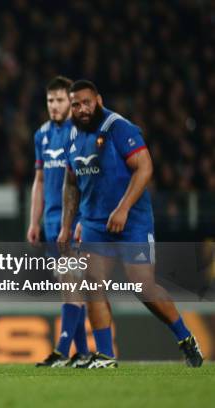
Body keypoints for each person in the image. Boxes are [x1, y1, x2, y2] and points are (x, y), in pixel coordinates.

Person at [58, 80, 202, 368]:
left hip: (132, 221)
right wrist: (67, 224)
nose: (82, 108)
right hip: (95, 224)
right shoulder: (72, 137)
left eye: (87, 102)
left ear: (98, 100)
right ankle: (105, 356)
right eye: (76, 104)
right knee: (92, 284)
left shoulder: (118, 127)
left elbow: (145, 166)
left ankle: (185, 338)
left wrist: (123, 208)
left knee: (142, 286)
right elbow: (71, 184)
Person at [28, 76, 89, 368]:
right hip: (51, 221)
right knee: (68, 286)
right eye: (50, 100)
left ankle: (63, 349)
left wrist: (83, 218)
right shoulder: (41, 135)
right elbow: (39, 181)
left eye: (60, 100)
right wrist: (33, 221)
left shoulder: (79, 134)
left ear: (70, 101)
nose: (54, 105)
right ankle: (85, 353)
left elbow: (86, 180)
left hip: (73, 221)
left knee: (71, 283)